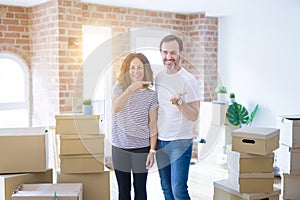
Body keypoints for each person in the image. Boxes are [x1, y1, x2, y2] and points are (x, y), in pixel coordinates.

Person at [155, 35, 201, 200]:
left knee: (178, 190)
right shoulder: (159, 77)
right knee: (166, 188)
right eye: (165, 52)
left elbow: (195, 115)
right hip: (161, 141)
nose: (168, 56)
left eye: (173, 52)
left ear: (180, 53)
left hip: (180, 142)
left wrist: (180, 102)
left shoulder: (189, 80)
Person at [111, 52, 158, 200]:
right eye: (132, 68)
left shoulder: (151, 95)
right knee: (123, 190)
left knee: (140, 189)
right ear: (127, 70)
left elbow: (153, 125)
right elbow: (115, 108)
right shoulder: (118, 88)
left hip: (141, 148)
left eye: (139, 67)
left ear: (145, 70)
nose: (136, 71)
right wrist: (131, 89)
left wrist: (152, 151)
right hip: (120, 147)